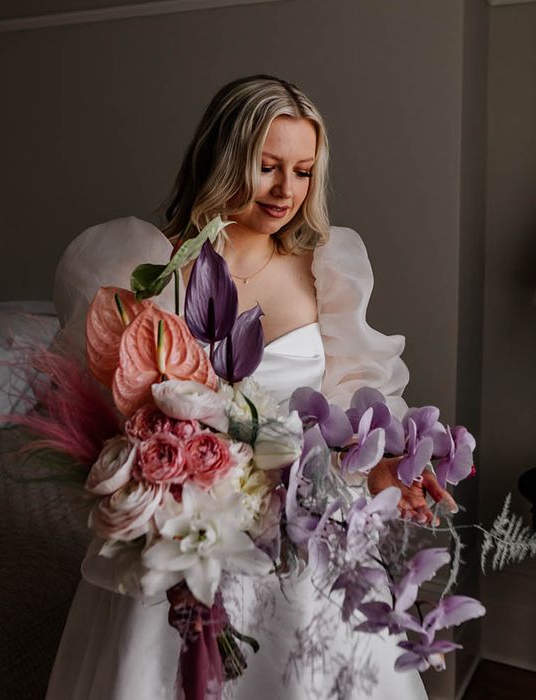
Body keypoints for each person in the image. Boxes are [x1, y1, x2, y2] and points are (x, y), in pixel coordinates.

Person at [48, 75, 451, 699]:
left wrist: (381, 472)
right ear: (223, 160)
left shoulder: (325, 274)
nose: (287, 190)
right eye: (267, 167)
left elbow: (338, 425)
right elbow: (120, 415)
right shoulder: (151, 272)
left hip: (309, 538)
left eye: (304, 171)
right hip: (190, 538)